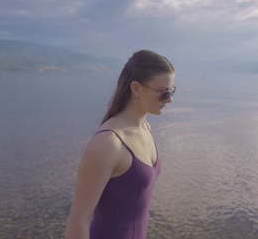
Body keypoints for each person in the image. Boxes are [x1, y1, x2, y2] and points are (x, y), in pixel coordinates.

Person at [65, 50, 176, 239]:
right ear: (136, 88)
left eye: (172, 91)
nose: (170, 99)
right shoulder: (108, 143)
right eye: (163, 93)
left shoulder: (145, 128)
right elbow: (78, 221)